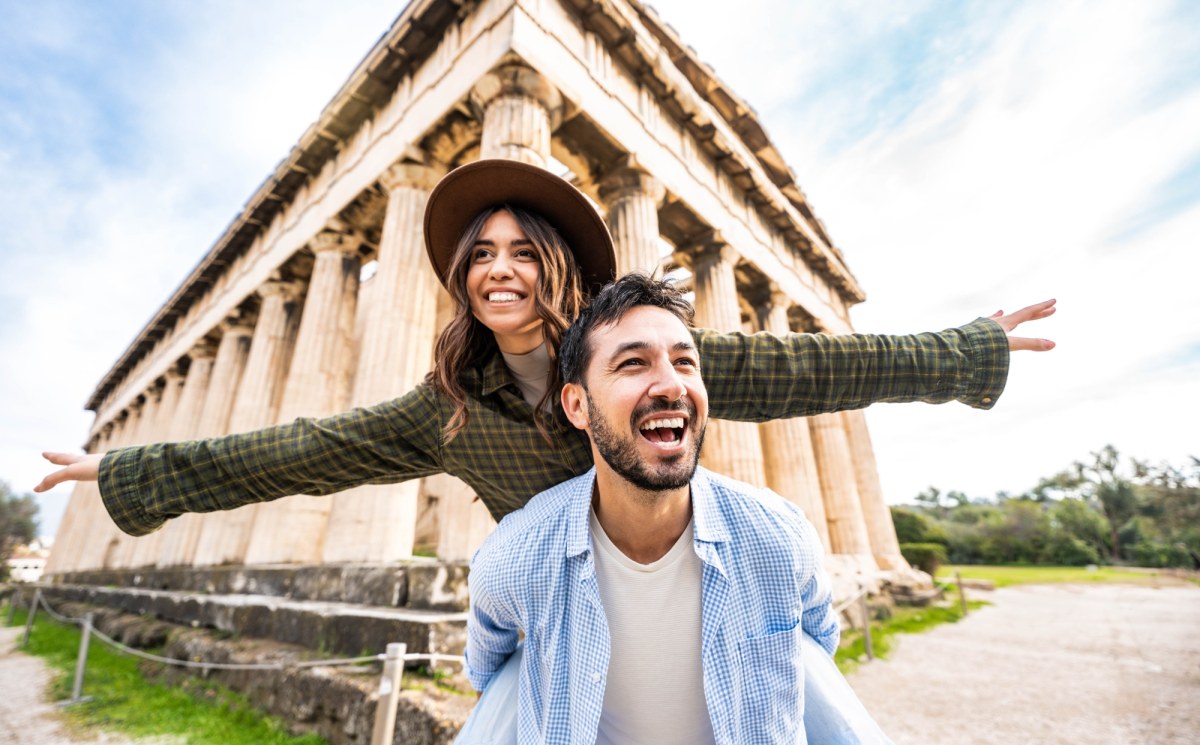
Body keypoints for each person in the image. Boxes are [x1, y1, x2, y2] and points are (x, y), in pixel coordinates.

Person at [34, 159, 1051, 737]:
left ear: (556, 264)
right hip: (559, 626)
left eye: (523, 250)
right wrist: (132, 470)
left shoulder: (636, 358)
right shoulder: (445, 411)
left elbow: (814, 369)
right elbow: (302, 451)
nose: (499, 269)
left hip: (699, 596)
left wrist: (967, 350)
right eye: (480, 254)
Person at [462, 274, 889, 743]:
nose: (671, 385)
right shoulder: (515, 556)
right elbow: (489, 681)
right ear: (577, 405)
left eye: (685, 362)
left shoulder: (779, 537)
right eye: (633, 362)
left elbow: (818, 655)